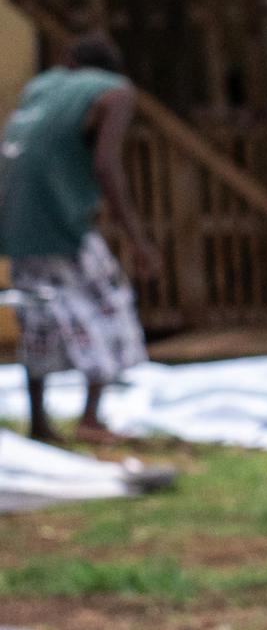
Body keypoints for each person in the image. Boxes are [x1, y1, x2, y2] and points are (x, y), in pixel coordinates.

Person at [3, 30, 152, 445]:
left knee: (38, 320)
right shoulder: (114, 91)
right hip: (62, 225)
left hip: (16, 223)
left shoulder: (41, 87)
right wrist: (138, 240)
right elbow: (106, 164)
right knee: (107, 306)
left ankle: (39, 423)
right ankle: (91, 418)